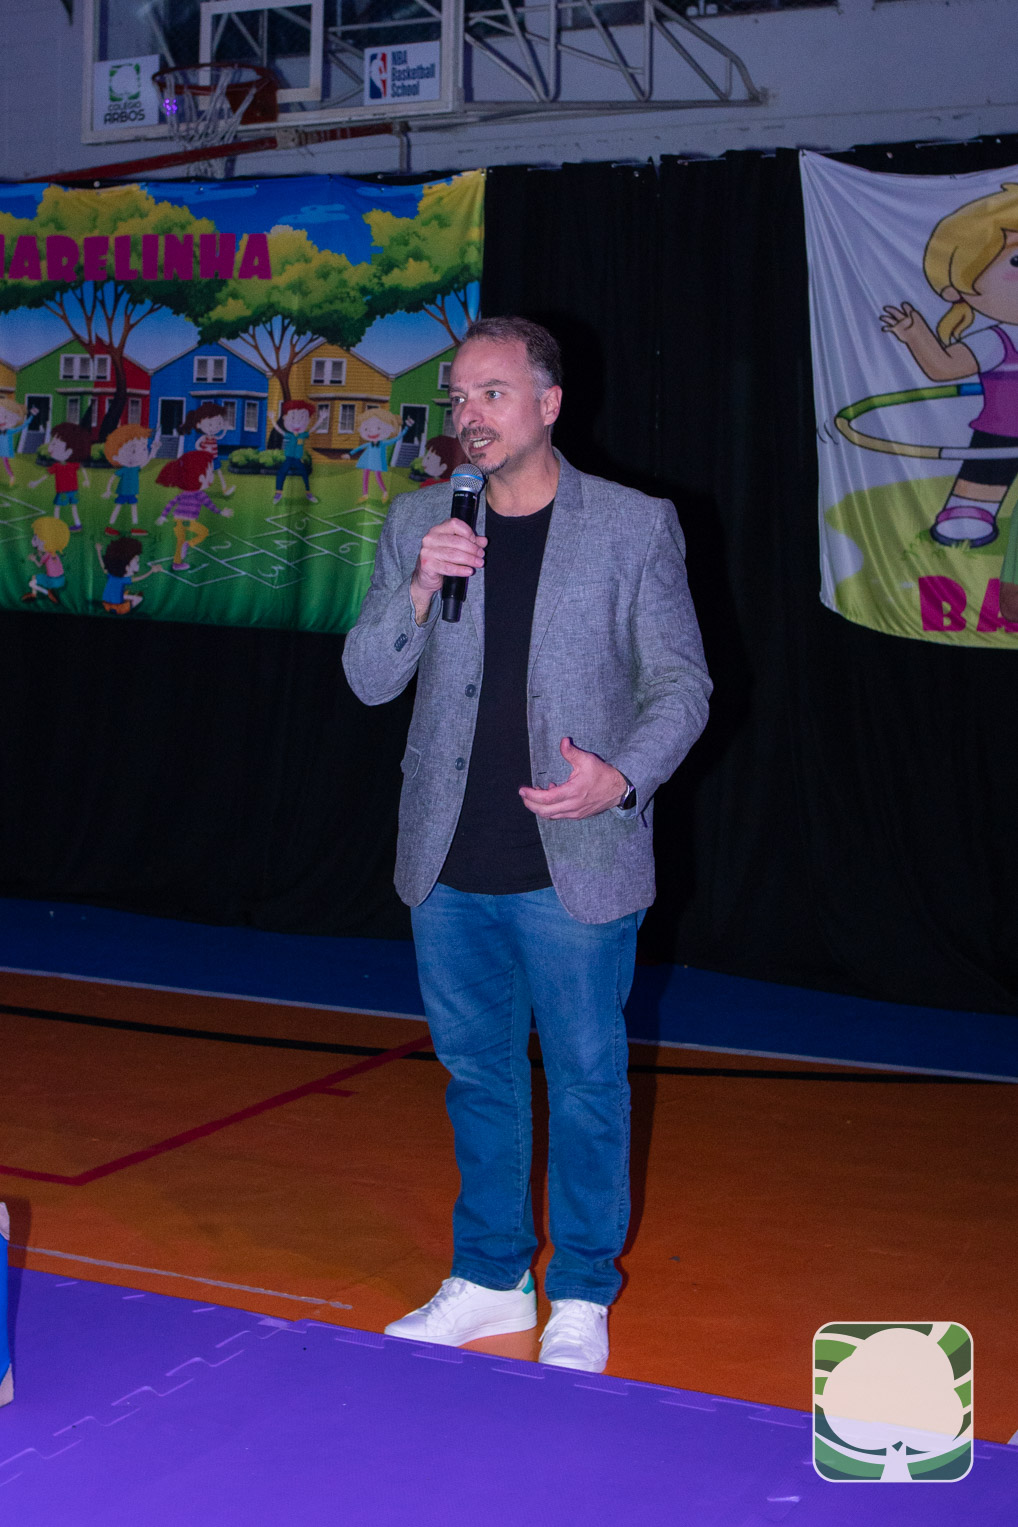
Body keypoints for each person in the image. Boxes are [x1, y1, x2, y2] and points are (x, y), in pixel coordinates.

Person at [343, 316, 710, 1374]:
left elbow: (682, 685)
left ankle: (583, 1291)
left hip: (575, 855)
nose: (469, 415)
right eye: (457, 397)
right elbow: (369, 677)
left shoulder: (633, 525)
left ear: (547, 404)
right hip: (447, 858)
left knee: (589, 1081)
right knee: (477, 1076)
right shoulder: (420, 519)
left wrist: (621, 775)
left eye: (491, 394)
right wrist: (418, 588)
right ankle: (491, 1276)